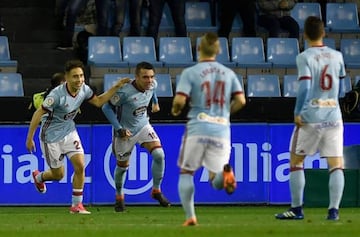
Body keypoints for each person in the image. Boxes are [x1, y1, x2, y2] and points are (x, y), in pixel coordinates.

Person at [26, 59, 130, 214]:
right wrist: (30, 138)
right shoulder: (56, 95)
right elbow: (38, 113)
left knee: (80, 166)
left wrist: (115, 87)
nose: (79, 80)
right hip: (50, 136)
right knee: (58, 175)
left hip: (69, 131)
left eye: (81, 76)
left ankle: (76, 205)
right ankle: (39, 177)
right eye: (75, 76)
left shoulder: (85, 90)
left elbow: (99, 102)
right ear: (67, 77)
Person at [171, 32, 246, 226]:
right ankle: (225, 174)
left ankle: (190, 217)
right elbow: (241, 100)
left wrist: (176, 109)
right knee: (215, 179)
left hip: (198, 125)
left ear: (198, 49)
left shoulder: (191, 72)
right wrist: (226, 113)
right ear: (219, 50)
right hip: (221, 129)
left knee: (187, 172)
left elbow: (179, 100)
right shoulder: (229, 73)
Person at [275, 16, 346, 221]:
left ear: (305, 35)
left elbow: (305, 86)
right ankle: (333, 211)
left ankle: (296, 209)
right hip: (333, 115)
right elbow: (340, 87)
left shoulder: (304, 57)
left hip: (311, 116)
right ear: (324, 32)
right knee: (336, 164)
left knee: (296, 161)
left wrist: (298, 111)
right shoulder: (337, 56)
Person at [101, 61, 170, 212]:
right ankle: (119, 196)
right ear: (136, 77)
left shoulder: (153, 85)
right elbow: (106, 107)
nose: (149, 81)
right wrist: (119, 129)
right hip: (125, 132)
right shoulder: (124, 92)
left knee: (159, 154)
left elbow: (153, 91)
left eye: (151, 77)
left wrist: (155, 102)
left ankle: (156, 190)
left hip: (143, 125)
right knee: (122, 168)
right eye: (145, 77)